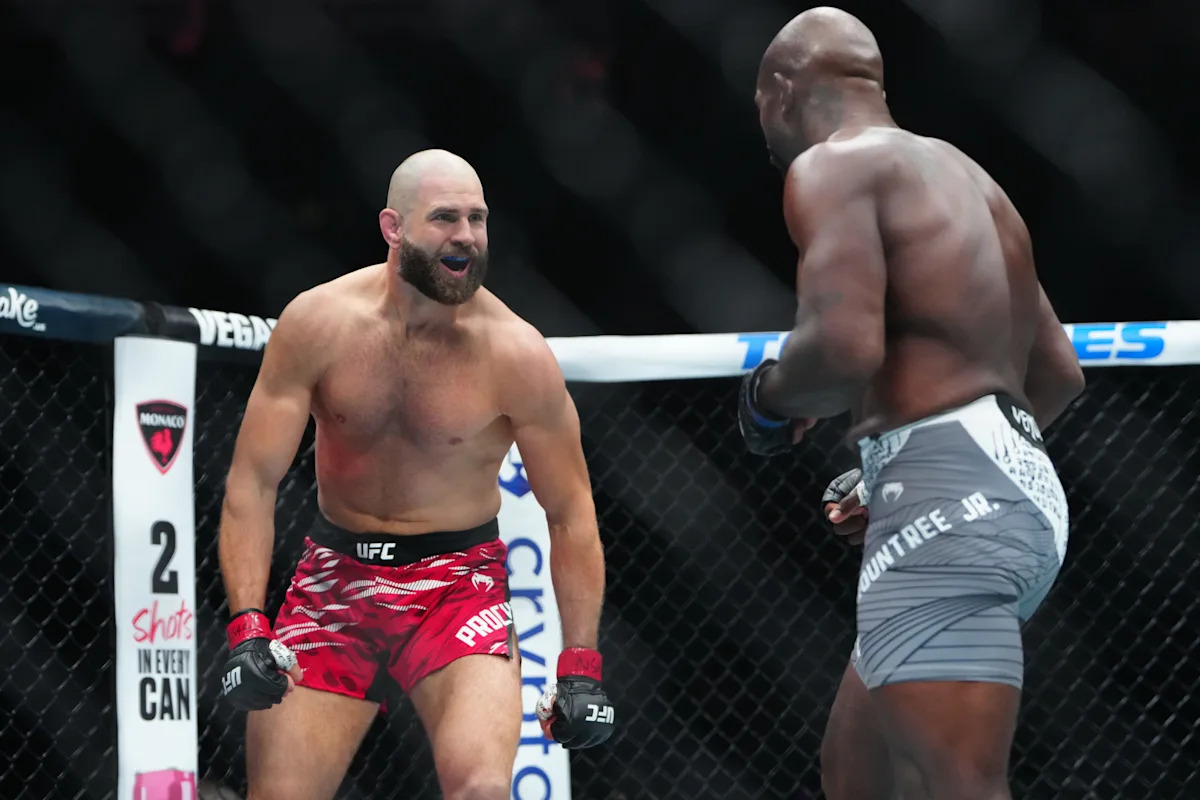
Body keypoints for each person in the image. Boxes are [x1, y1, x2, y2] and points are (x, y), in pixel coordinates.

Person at [738, 8, 1086, 799]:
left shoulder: (835, 166)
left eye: (760, 105)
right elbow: (1058, 371)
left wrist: (768, 397)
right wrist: (906, 465)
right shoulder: (974, 182)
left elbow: (841, 349)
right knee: (857, 772)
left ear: (783, 90)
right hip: (1001, 487)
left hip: (950, 503)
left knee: (958, 785)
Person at [216, 149, 615, 800]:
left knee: (481, 790)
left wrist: (581, 666)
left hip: (457, 589)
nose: (467, 235)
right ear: (393, 228)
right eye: (446, 218)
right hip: (337, 583)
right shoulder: (318, 324)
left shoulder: (515, 353)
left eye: (478, 219)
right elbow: (252, 483)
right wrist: (247, 628)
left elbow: (570, 513)